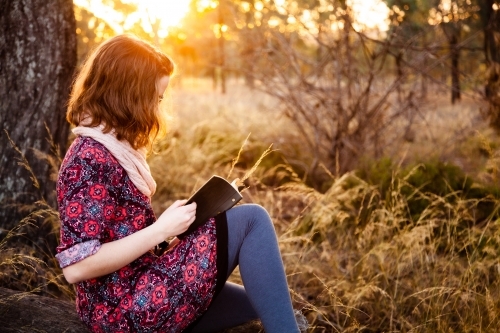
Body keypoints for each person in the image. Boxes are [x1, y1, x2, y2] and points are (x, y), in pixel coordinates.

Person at [55, 34, 305, 333]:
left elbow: (121, 235)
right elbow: (77, 267)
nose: (157, 109)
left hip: (142, 283)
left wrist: (167, 237)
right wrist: (159, 230)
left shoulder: (114, 149)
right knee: (252, 220)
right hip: (122, 311)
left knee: (266, 300)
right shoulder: (87, 159)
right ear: (128, 94)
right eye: (155, 98)